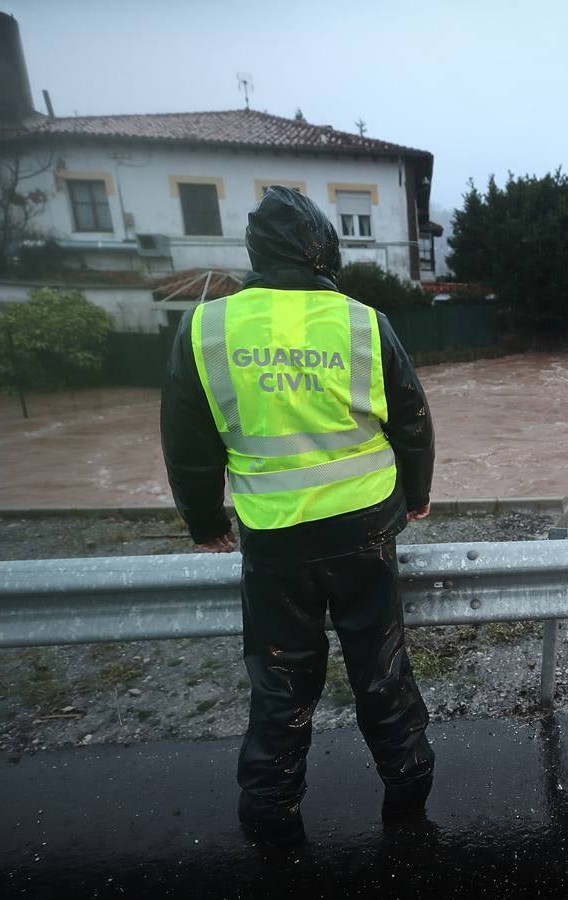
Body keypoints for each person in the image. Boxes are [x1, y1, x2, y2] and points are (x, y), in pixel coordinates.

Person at [160, 186, 437, 848]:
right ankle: (408, 793)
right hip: (367, 530)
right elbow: (413, 418)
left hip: (275, 541)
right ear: (324, 250)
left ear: (257, 253)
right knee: (381, 668)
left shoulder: (206, 327)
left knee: (282, 680)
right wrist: (417, 494)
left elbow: (189, 447)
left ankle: (270, 811)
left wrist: (205, 524)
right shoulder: (363, 322)